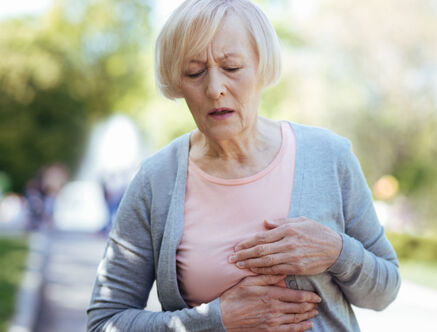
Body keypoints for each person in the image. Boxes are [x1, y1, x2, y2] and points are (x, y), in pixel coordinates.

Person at [87, 0, 401, 331]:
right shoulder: (155, 181)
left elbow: (386, 291)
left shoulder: (329, 156)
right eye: (194, 72)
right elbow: (106, 322)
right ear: (177, 82)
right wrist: (215, 320)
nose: (214, 88)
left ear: (261, 67)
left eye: (232, 68)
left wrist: (337, 252)